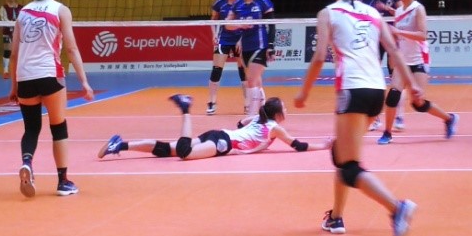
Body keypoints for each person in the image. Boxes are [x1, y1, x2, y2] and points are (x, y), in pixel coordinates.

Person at [295, 0, 421, 236]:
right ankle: (336, 217)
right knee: (341, 154)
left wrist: (303, 93)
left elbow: (319, 57)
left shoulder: (328, 13)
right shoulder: (373, 12)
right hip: (376, 91)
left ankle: (397, 208)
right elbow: (393, 49)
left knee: (349, 165)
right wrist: (412, 85)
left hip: (352, 89)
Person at [8, 0, 94, 197]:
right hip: (50, 75)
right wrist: (84, 82)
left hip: (25, 77)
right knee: (58, 127)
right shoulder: (61, 10)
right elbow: (71, 49)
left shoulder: (23, 13)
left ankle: (27, 162)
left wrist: (14, 86)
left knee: (31, 128)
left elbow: (14, 54)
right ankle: (63, 182)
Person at [98, 94, 330, 160]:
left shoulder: (258, 120)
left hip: (219, 134)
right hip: (223, 143)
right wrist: (324, 145)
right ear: (277, 115)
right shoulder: (274, 128)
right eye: (284, 109)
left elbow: (240, 123)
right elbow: (298, 146)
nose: (287, 111)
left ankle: (120, 145)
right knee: (185, 153)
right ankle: (186, 108)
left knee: (168, 149)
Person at [377, 0, 458, 145]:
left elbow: (422, 35)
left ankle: (449, 118)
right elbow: (398, 36)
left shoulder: (418, 9)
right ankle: (387, 132)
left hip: (419, 59)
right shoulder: (399, 11)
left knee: (418, 103)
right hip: (403, 61)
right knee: (392, 96)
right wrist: (393, 55)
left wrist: (398, 32)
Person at [358, 0, 406, 131]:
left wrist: (387, 9)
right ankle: (375, 118)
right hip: (374, 40)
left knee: (396, 78)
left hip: (393, 38)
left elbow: (403, 13)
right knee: (372, 77)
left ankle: (399, 116)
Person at [227, 0, 275, 116]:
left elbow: (272, 24)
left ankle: (252, 115)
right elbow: (227, 25)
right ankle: (265, 112)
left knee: (251, 81)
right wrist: (240, 25)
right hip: (245, 47)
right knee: (257, 82)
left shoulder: (262, 1)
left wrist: (271, 46)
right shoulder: (238, 4)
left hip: (260, 45)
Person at [207, 0, 246, 115]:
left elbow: (248, 23)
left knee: (243, 71)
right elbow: (213, 20)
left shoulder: (243, 2)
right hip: (223, 39)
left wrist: (241, 39)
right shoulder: (220, 3)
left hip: (239, 39)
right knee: (216, 70)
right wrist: (214, 34)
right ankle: (211, 102)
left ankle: (247, 104)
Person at [0, 0, 23, 79]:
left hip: (18, 31)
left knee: (19, 51)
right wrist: (12, 24)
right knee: (7, 50)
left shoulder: (21, 7)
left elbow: (23, 18)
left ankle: (18, 70)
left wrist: (17, 25)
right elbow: (4, 19)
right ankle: (5, 71)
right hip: (7, 31)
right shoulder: (3, 7)